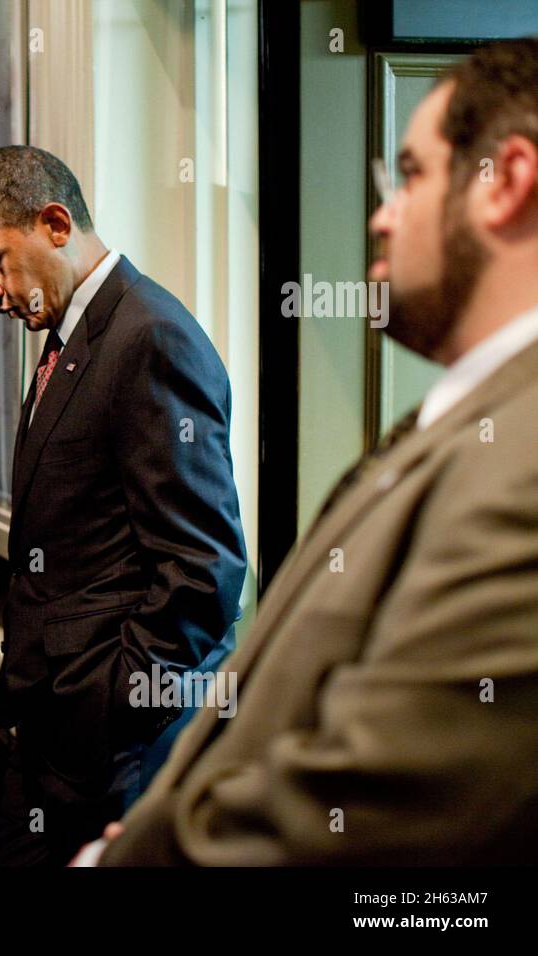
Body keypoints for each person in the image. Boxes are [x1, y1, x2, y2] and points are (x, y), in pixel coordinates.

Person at [96, 37, 538, 866]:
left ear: (504, 183)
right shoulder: (457, 419)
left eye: (410, 175)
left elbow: (393, 799)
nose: (381, 214)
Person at [0, 146, 247, 866]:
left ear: (55, 223)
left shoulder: (150, 336)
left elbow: (204, 569)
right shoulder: (72, 335)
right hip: (51, 730)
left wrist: (107, 707)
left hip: (110, 747)